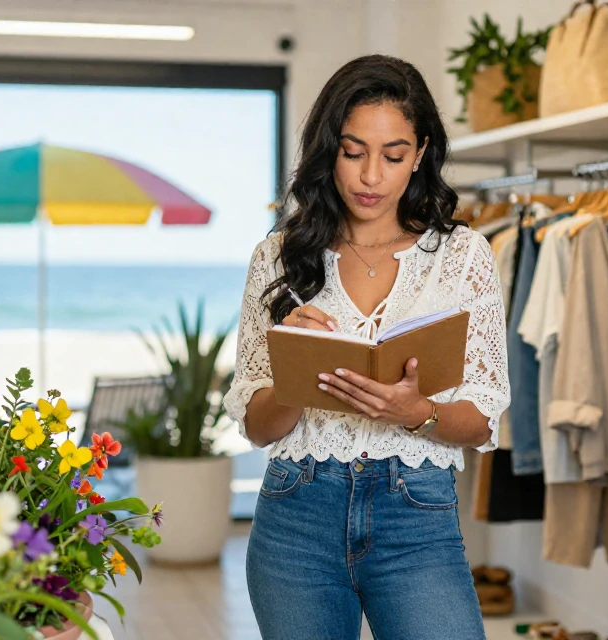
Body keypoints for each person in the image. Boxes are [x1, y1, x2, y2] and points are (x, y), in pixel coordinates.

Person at [223, 54, 511, 639]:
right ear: (328, 150)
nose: (371, 176)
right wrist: (295, 374)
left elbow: (481, 420)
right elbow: (256, 427)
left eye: (393, 155)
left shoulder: (463, 257)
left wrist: (416, 413)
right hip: (295, 517)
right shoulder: (277, 259)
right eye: (353, 152)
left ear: (422, 154)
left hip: (417, 520)